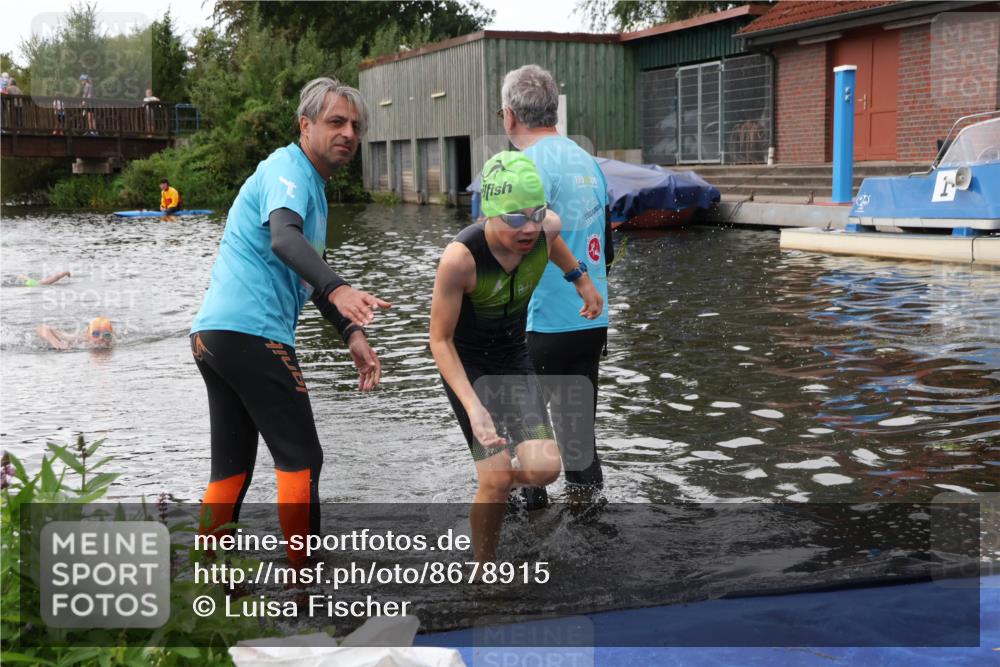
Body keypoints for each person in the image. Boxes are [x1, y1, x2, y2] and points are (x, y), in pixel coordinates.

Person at [190, 77, 390, 567]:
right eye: (335, 121)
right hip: (252, 335)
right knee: (302, 460)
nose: (348, 133)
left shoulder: (310, 190)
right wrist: (342, 288)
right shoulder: (288, 169)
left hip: (213, 337)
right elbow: (284, 241)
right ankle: (305, 589)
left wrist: (351, 332)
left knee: (232, 469)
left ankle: (212, 584)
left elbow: (304, 270)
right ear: (306, 125)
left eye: (355, 126)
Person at [429, 151, 603, 563]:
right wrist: (474, 408)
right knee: (495, 479)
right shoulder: (461, 260)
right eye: (515, 219)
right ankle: (482, 569)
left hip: (512, 357)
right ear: (490, 212)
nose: (529, 229)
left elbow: (553, 240)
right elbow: (439, 340)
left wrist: (581, 279)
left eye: (536, 213)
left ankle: (502, 480)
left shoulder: (545, 229)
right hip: (468, 366)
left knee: (545, 469)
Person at [499, 65, 613, 509]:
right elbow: (608, 240)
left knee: (528, 443)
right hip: (589, 319)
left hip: (538, 323)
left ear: (509, 116)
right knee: (579, 441)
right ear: (554, 112)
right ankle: (592, 534)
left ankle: (533, 547)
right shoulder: (588, 161)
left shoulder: (522, 165)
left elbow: (515, 245)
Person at [36, 316, 113, 350]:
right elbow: (40, 328)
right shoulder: (76, 340)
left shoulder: (113, 343)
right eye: (95, 334)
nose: (101, 338)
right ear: (88, 335)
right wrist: (55, 342)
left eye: (107, 335)